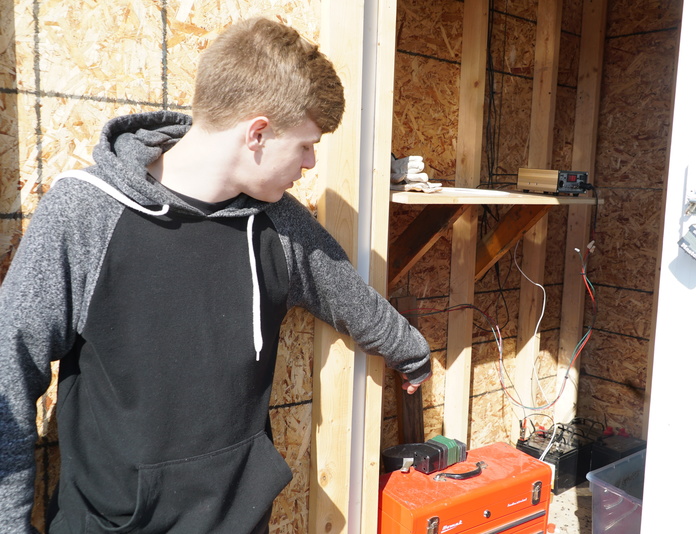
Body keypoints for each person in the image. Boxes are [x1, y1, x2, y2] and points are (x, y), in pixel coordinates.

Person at [0, 17, 431, 534]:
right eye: (306, 144)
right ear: (258, 133)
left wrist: (411, 353)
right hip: (112, 522)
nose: (312, 162)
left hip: (238, 518)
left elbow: (344, 291)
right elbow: (10, 362)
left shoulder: (277, 221)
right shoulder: (86, 212)